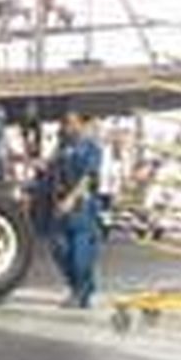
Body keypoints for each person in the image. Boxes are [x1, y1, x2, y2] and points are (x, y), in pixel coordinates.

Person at [50, 110, 104, 308]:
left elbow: (88, 177)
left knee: (80, 254)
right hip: (61, 206)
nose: (67, 127)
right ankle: (80, 288)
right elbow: (52, 174)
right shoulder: (62, 148)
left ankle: (81, 292)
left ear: (82, 124)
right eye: (65, 123)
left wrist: (71, 199)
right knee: (59, 249)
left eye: (72, 123)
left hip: (82, 206)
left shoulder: (91, 148)